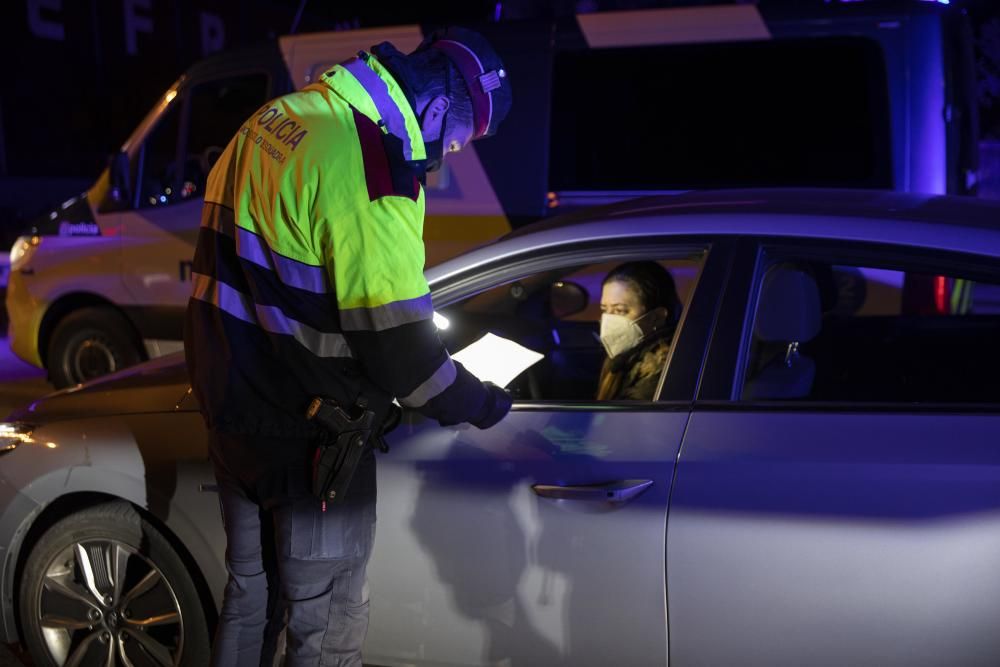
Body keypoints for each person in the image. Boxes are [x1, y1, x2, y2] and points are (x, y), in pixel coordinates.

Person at [183, 27, 513, 666]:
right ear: (439, 110)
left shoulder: (277, 119)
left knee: (250, 599)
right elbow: (406, 362)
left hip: (231, 413)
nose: (445, 157)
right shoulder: (377, 174)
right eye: (457, 140)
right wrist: (480, 402)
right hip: (314, 445)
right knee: (325, 625)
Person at [596, 261, 681, 401]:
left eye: (620, 310)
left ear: (656, 317)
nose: (608, 321)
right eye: (604, 310)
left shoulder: (659, 373)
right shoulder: (627, 357)